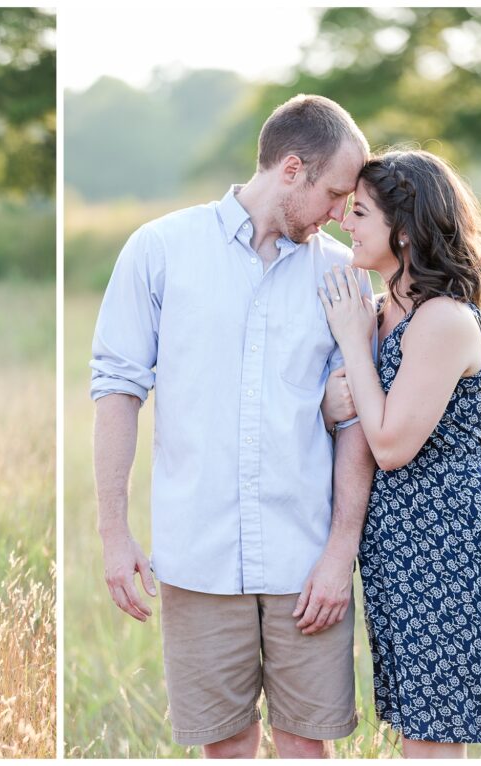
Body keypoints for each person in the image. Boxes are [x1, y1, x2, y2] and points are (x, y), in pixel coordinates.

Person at [91, 94, 377, 758]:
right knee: (224, 749)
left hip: (304, 564)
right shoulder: (159, 249)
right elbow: (116, 392)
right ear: (292, 169)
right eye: (335, 192)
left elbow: (357, 421)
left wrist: (339, 555)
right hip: (197, 557)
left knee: (307, 747)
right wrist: (113, 533)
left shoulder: (342, 276)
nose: (341, 212)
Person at [318, 150, 481, 758]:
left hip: (453, 548)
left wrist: (352, 342)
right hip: (402, 551)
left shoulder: (442, 319)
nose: (345, 220)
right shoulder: (386, 308)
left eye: (360, 211)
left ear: (406, 228)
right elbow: (353, 410)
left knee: (432, 747)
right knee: (417, 740)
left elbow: (390, 444)